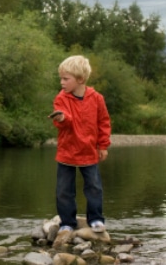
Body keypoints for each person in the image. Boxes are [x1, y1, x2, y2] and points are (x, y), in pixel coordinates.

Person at [48, 55, 111, 247]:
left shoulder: (97, 98)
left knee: (94, 187)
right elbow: (65, 119)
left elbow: (103, 122)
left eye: (66, 79)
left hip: (89, 152)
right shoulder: (61, 97)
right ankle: (67, 223)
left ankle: (96, 220)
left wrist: (103, 145)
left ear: (80, 79)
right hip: (67, 152)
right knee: (64, 191)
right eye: (61, 78)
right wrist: (61, 118)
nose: (62, 82)